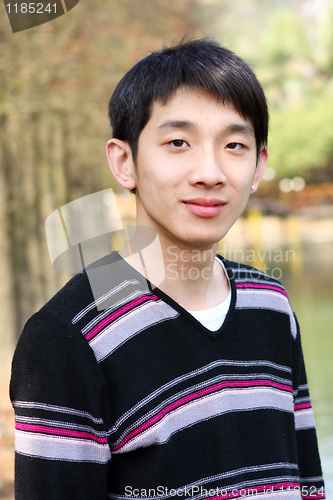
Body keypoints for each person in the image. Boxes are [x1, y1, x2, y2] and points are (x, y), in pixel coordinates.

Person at [10, 38, 325, 500]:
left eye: (235, 145)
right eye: (178, 142)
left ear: (259, 167)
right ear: (124, 162)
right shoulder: (70, 335)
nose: (210, 172)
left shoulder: (270, 304)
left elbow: (308, 482)